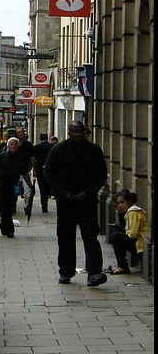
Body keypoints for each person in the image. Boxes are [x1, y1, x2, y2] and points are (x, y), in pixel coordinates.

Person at [44, 120, 108, 287]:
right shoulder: (59, 150)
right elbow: (48, 172)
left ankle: (94, 272)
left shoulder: (94, 150)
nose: (78, 135)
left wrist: (88, 192)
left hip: (87, 201)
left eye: (81, 132)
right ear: (69, 133)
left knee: (90, 235)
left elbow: (102, 175)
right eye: (75, 132)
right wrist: (63, 193)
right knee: (65, 236)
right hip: (66, 201)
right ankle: (65, 271)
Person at [0, 137, 33, 238]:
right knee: (4, 208)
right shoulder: (2, 157)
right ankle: (10, 230)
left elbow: (25, 173)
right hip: (1, 186)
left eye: (15, 145)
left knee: (10, 208)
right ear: (8, 146)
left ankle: (3, 226)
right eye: (11, 144)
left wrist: (30, 186)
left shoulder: (21, 158)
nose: (13, 146)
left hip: (13, 187)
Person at [106, 190, 149, 274]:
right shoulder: (128, 213)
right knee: (117, 235)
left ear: (129, 202)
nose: (120, 205)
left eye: (122, 202)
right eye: (118, 204)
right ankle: (120, 264)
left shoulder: (133, 212)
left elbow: (133, 234)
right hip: (138, 245)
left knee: (116, 236)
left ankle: (123, 267)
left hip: (141, 247)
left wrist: (123, 233)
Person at [14, 127, 36, 216]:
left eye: (22, 132)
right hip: (15, 171)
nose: (21, 134)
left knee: (27, 188)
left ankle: (27, 206)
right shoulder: (14, 144)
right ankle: (13, 206)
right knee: (15, 189)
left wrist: (34, 168)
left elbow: (32, 157)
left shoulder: (28, 145)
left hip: (26, 170)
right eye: (19, 132)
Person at [33, 133, 53, 213]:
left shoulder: (36, 147)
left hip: (40, 170)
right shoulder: (51, 146)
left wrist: (34, 169)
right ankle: (48, 196)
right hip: (50, 170)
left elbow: (34, 158)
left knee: (42, 188)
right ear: (47, 138)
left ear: (40, 139)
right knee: (49, 185)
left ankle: (44, 205)